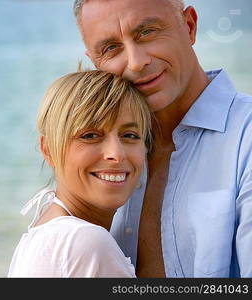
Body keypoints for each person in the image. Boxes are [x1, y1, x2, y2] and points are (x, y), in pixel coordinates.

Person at [73, 0, 252, 277]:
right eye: (111, 48)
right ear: (95, 62)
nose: (136, 62)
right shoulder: (98, 159)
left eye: (147, 32)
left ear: (189, 26)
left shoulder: (246, 139)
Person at [7, 70, 152, 277]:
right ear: (48, 149)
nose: (116, 154)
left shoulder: (44, 235)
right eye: (90, 135)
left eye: (130, 135)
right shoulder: (86, 242)